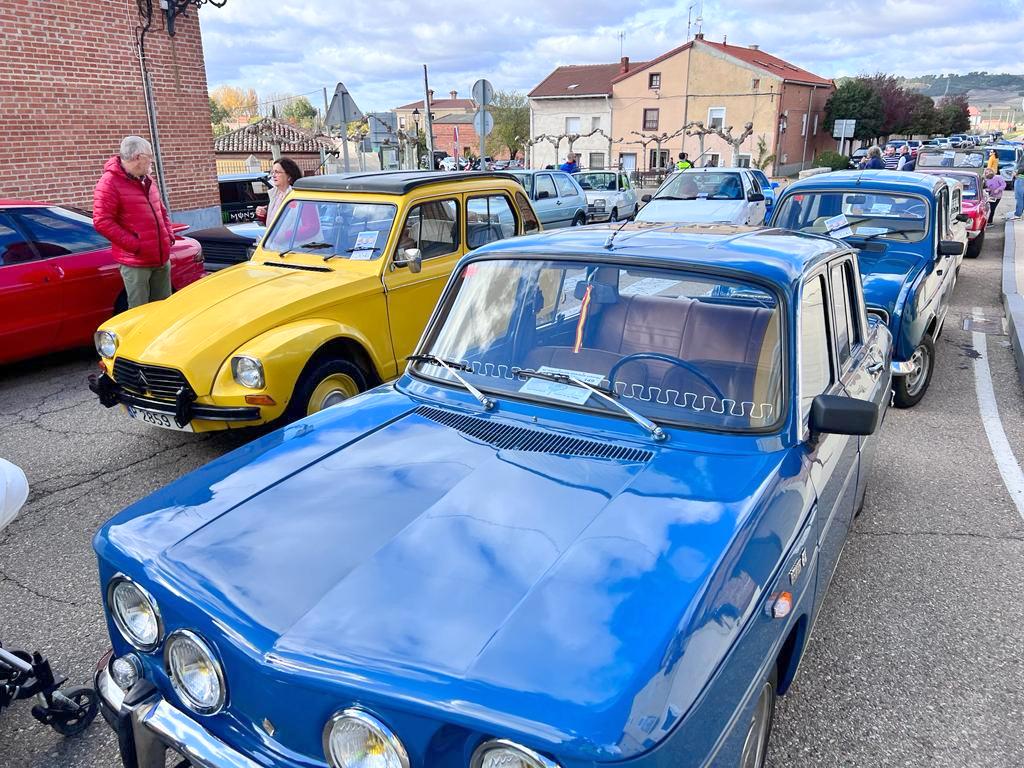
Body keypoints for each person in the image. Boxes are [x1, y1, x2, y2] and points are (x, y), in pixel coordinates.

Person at [92, 136, 175, 309]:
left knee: (164, 309)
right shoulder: (109, 183)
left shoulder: (147, 180)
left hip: (160, 257)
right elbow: (101, 221)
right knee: (139, 312)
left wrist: (168, 235)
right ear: (138, 157)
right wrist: (136, 245)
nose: (151, 161)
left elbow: (161, 210)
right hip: (136, 263)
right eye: (149, 156)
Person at [256, 156, 302, 225]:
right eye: (272, 172)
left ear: (289, 176)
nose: (273, 175)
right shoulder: (274, 194)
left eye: (277, 172)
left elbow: (311, 227)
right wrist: (263, 214)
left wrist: (287, 234)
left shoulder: (298, 196)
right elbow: (274, 224)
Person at [1010, 154, 1024, 220]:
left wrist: (1017, 172)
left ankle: (1018, 214)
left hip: (1021, 178)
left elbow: (1022, 167)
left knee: (1020, 197)